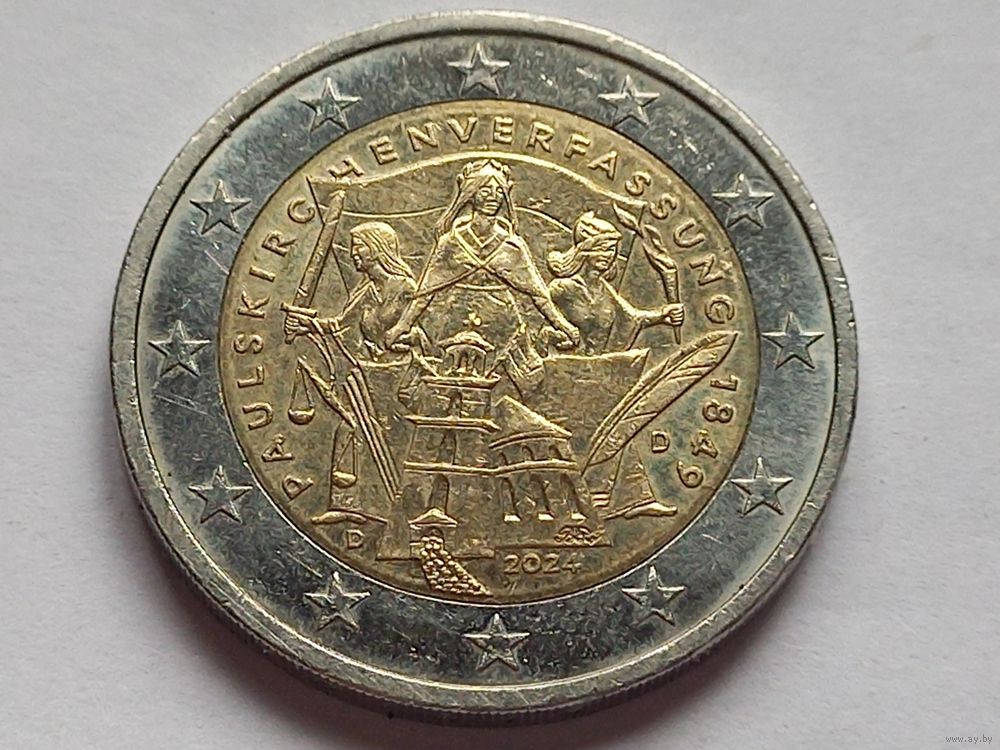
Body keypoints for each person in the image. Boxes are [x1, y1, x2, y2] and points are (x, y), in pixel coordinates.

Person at [384, 159, 579, 356]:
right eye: (485, 190)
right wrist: (401, 326)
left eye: (499, 191)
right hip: (453, 323)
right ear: (471, 194)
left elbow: (538, 295)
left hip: (504, 326)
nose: (493, 197)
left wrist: (564, 326)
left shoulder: (513, 246)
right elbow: (426, 293)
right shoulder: (451, 242)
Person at [547, 212, 683, 355]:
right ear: (585, 250)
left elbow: (630, 317)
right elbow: (538, 324)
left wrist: (662, 315)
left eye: (611, 250)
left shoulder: (603, 288)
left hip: (599, 360)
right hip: (568, 362)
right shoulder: (561, 289)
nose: (608, 255)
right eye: (602, 249)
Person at [286, 221, 422, 360]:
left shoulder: (405, 288)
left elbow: (426, 331)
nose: (352, 253)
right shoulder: (368, 291)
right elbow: (339, 324)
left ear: (375, 248)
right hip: (374, 364)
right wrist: (305, 324)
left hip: (406, 365)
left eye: (359, 246)